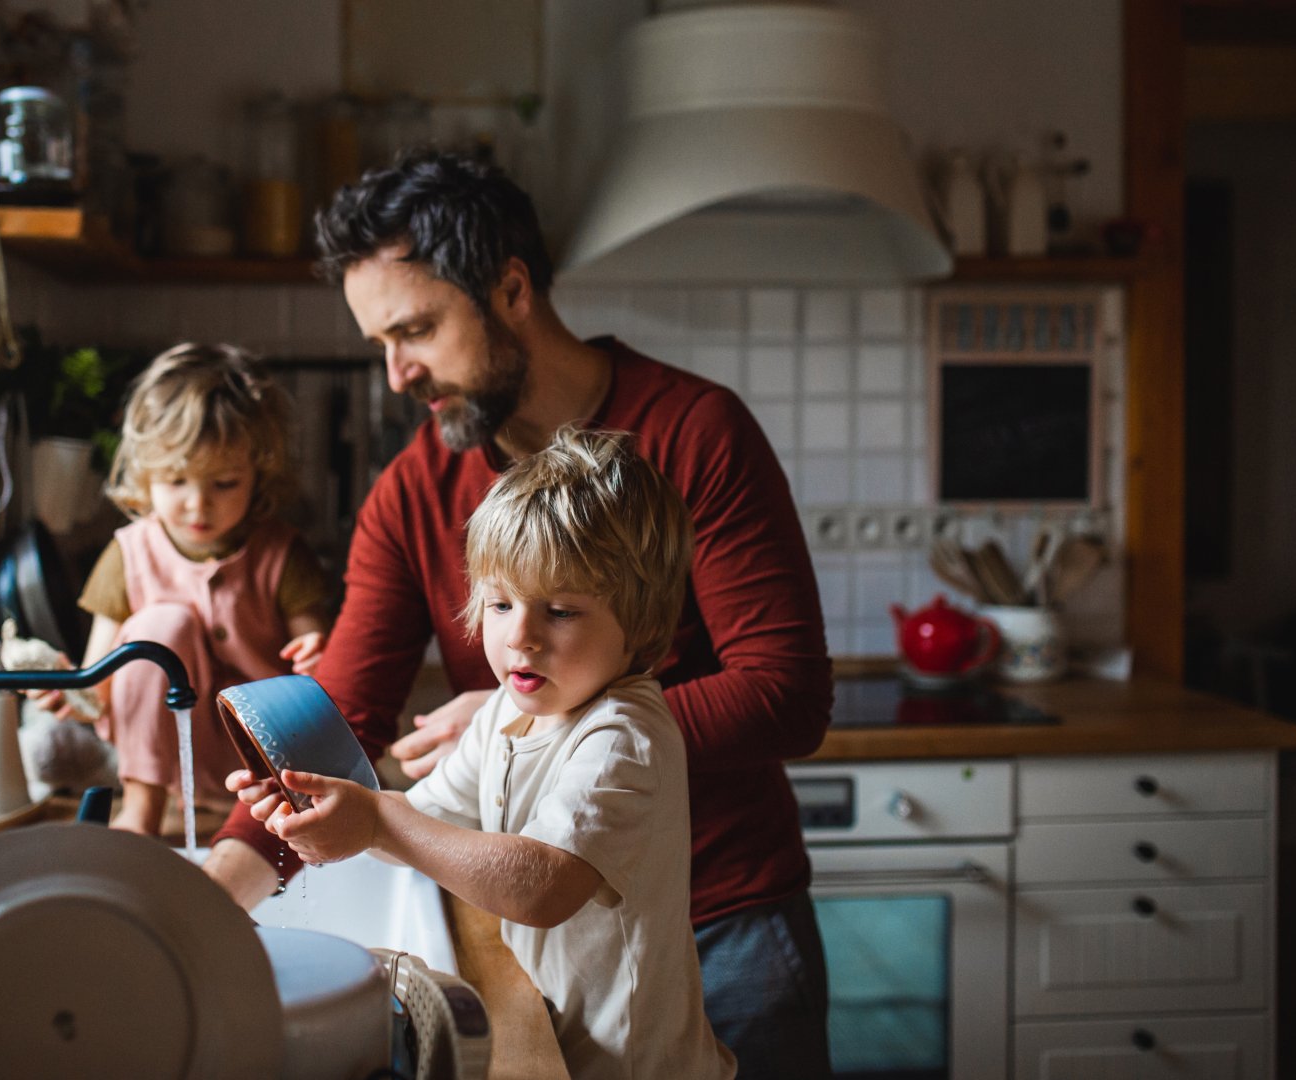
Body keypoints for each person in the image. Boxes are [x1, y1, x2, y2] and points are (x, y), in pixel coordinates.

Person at [206, 151, 834, 1077]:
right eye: (380, 341)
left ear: (510, 290)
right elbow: (335, 720)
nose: (396, 375)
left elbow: (785, 692)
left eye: (415, 329)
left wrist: (544, 724)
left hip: (723, 924)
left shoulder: (696, 433)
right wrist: (218, 892)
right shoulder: (415, 487)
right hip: (544, 951)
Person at [249, 427, 734, 1079]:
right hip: (564, 1043)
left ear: (642, 624)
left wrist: (378, 820)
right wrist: (325, 814)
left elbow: (542, 886)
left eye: (560, 611)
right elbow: (426, 823)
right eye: (501, 603)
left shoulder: (622, 736)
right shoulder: (506, 711)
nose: (520, 637)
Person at [60, 342, 334, 834]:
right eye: (175, 481)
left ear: (259, 471)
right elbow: (96, 685)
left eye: (224, 483)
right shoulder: (129, 553)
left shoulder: (281, 552)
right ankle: (140, 810)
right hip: (165, 763)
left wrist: (318, 657)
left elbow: (321, 666)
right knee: (159, 627)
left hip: (265, 762)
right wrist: (69, 689)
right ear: (145, 476)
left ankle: (260, 812)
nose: (197, 505)